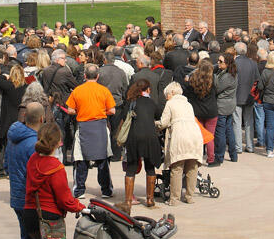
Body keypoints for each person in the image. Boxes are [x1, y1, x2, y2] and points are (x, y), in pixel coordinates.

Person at [24, 122, 86, 239]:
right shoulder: (56, 168)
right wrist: (80, 207)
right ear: (58, 142)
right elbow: (65, 200)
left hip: (30, 214)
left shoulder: (32, 160)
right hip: (50, 217)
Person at [64, 63, 116, 198]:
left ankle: (79, 190)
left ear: (85, 76)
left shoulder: (77, 90)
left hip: (83, 127)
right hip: (100, 126)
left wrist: (80, 111)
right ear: (97, 76)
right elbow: (112, 110)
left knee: (81, 159)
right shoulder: (104, 90)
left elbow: (70, 110)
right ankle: (106, 190)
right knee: (103, 158)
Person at [156, 81, 203, 206]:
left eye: (166, 94)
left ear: (171, 93)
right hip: (194, 135)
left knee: (177, 168)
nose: (166, 97)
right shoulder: (188, 104)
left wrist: (154, 124)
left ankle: (174, 199)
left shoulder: (170, 103)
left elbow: (164, 122)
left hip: (180, 135)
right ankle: (189, 196)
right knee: (192, 167)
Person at [120, 79, 162, 208]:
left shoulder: (130, 102)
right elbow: (158, 115)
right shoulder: (151, 103)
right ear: (148, 89)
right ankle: (150, 200)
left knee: (131, 167)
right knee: (150, 167)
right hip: (150, 136)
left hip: (134, 137)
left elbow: (123, 117)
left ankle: (128, 201)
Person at [6, 102, 44, 239]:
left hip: (16, 196)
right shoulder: (35, 144)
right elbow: (38, 176)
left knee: (26, 237)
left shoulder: (12, 137)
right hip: (31, 201)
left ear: (24, 116)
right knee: (35, 238)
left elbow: (6, 165)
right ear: (42, 118)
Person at [183, 59, 217, 165]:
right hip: (211, 111)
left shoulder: (193, 80)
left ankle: (196, 157)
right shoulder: (213, 80)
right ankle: (211, 158)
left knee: (197, 136)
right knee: (210, 136)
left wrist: (186, 82)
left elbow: (187, 92)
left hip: (197, 110)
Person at [212, 53, 238, 165]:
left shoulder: (227, 76)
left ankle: (219, 156)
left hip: (223, 106)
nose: (218, 63)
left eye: (221, 61)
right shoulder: (229, 73)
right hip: (229, 105)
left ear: (227, 63)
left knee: (220, 132)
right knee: (229, 130)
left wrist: (213, 77)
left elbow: (217, 88)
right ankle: (233, 155)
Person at [232, 42, 258, 154]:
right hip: (249, 95)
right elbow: (257, 80)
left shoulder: (234, 63)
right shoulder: (253, 63)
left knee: (237, 122)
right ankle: (250, 145)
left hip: (236, 95)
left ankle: (238, 147)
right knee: (249, 122)